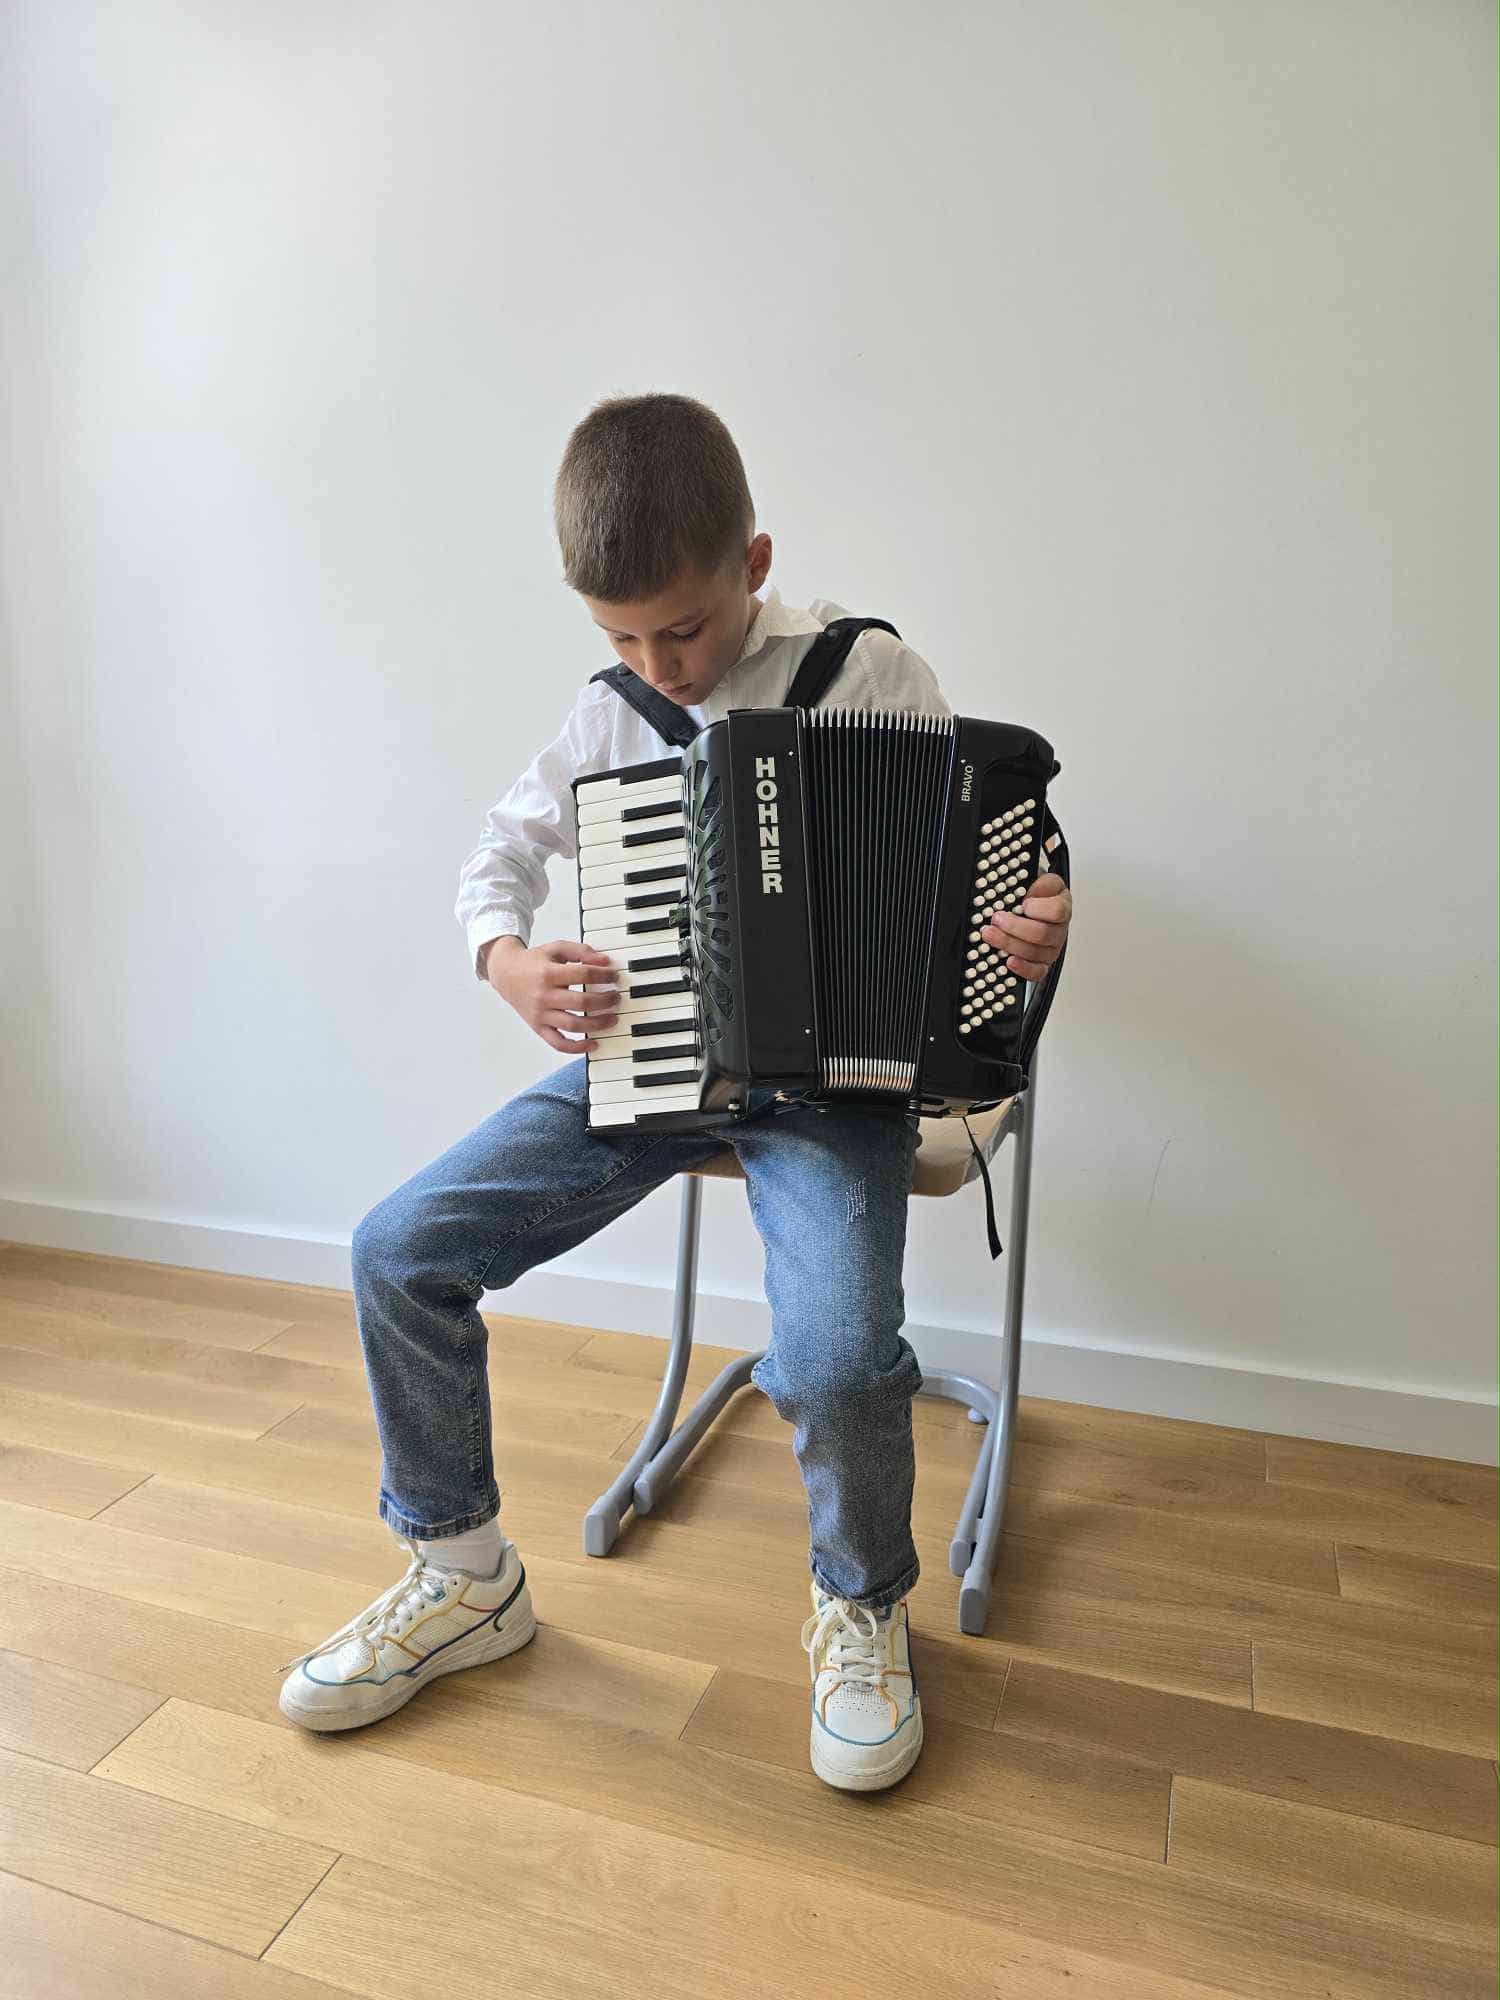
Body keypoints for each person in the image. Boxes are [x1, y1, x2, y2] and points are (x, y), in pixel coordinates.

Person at [278, 392, 1072, 1792]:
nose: (660, 667)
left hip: (837, 1093)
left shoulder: (871, 675)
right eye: (623, 640)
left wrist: (1024, 930)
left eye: (684, 631)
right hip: (653, 1063)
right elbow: (497, 858)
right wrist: (509, 961)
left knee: (835, 1360)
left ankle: (863, 1605)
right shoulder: (609, 715)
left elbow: (968, 886)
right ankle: (464, 1576)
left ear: (754, 564)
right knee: (398, 1250)